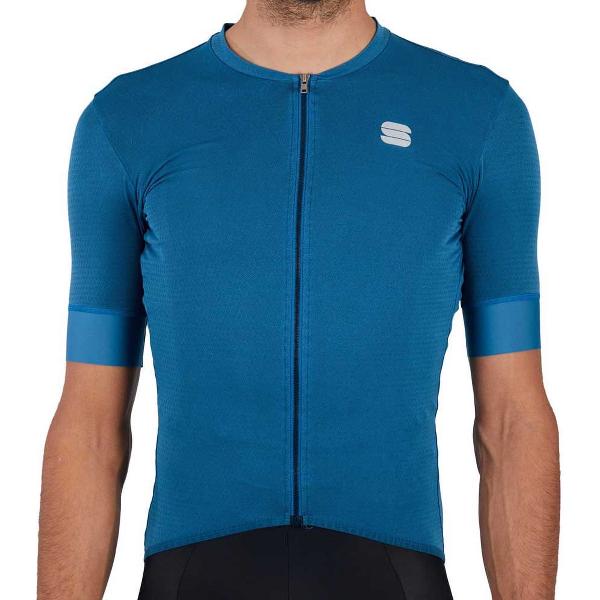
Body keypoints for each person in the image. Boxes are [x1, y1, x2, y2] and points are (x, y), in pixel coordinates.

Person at [37, 1, 560, 598]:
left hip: (393, 573)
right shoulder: (127, 119)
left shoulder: (477, 114)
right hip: (192, 573)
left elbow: (513, 418)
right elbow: (90, 423)